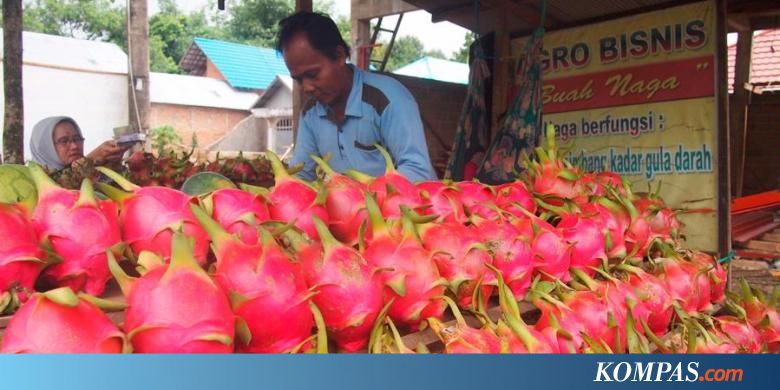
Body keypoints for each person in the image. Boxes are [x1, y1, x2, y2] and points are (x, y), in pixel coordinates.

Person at [276, 11, 437, 182]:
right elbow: (302, 174)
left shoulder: (387, 99)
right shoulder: (310, 113)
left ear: (339, 56)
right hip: (351, 206)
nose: (306, 87)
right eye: (299, 79)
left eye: (313, 74)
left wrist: (364, 200)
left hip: (406, 206)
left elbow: (418, 171)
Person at [30, 116, 127, 170]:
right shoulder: (31, 185)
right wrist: (92, 158)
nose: (74, 146)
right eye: (64, 141)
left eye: (77, 139)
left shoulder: (94, 174)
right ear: (46, 148)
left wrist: (113, 164)